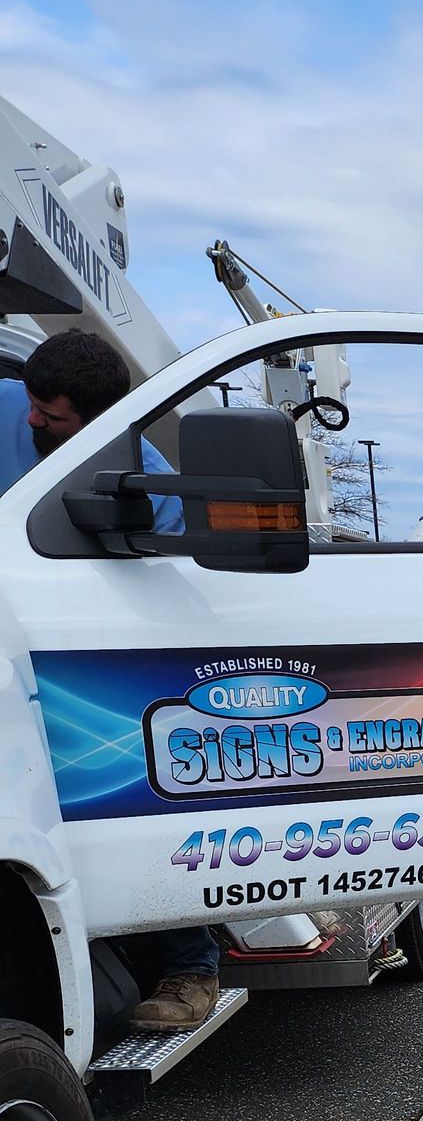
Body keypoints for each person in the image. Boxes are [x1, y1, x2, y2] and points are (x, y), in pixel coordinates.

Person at [0, 331, 214, 1029]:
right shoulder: (9, 406)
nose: (31, 420)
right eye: (31, 404)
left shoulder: (144, 480)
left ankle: (191, 968)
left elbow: (155, 603)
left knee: (139, 794)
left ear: (97, 424)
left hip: (83, 674)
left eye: (49, 415)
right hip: (9, 667)